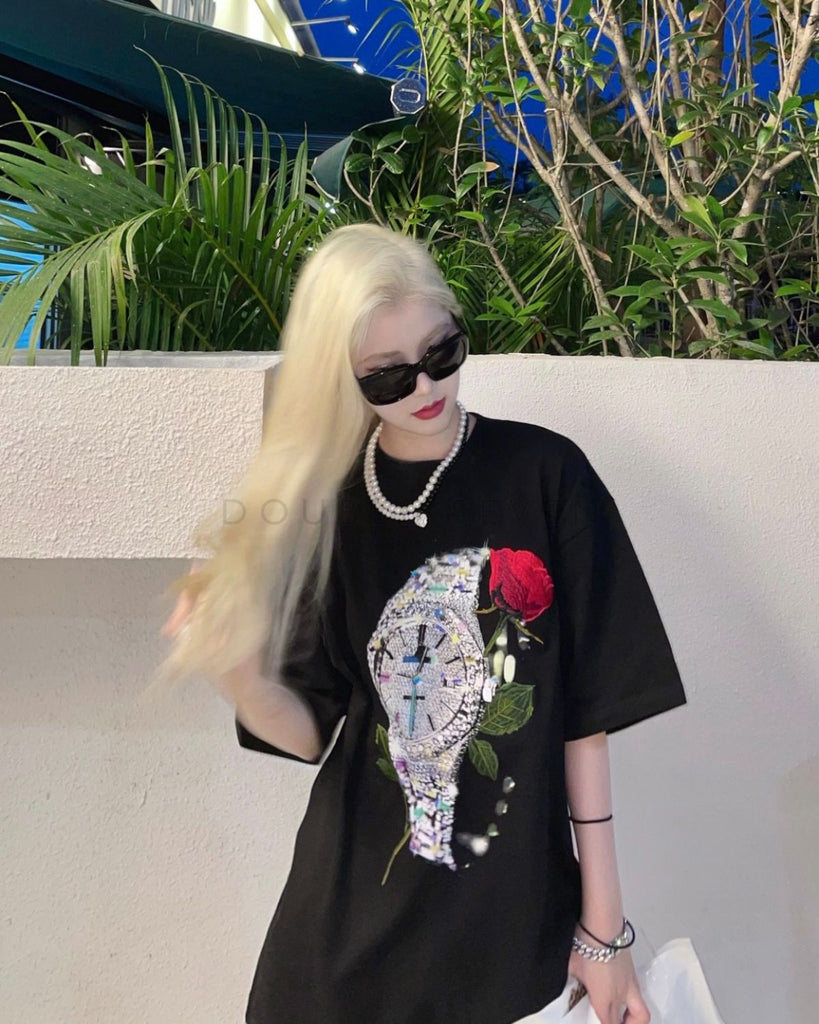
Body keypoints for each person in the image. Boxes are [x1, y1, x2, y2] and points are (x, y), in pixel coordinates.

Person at [159, 223, 687, 1024]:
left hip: (513, 934)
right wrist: (236, 673)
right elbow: (308, 734)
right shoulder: (324, 512)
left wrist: (603, 927)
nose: (425, 386)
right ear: (340, 379)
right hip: (342, 943)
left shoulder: (545, 474)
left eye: (441, 351)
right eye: (387, 375)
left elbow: (585, 719)